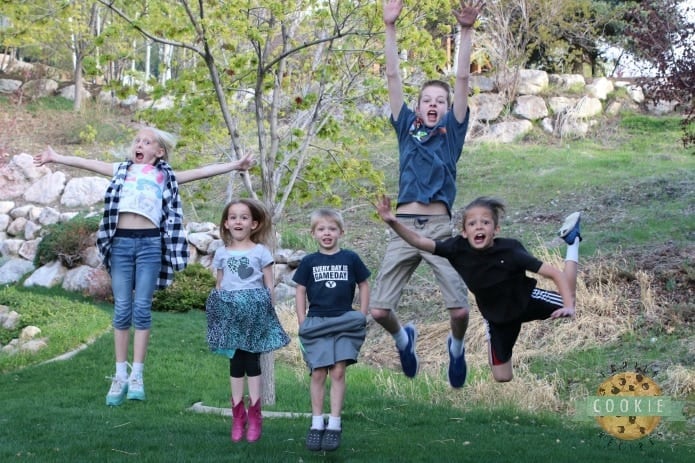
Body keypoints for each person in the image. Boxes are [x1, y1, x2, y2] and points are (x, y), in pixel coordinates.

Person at [33, 126, 254, 407]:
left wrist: (236, 164)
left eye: (146, 141)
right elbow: (89, 163)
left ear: (159, 152)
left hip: (150, 245)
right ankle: (119, 374)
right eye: (137, 140)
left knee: (141, 309)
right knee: (122, 309)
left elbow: (201, 171)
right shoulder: (122, 170)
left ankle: (137, 375)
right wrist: (57, 156)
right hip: (121, 244)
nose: (139, 144)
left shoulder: (166, 175)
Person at [370, 0, 484, 388]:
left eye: (440, 100)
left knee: (460, 311)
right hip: (403, 226)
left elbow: (463, 81)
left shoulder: (452, 133)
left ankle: (456, 348)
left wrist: (466, 32)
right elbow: (391, 75)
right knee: (380, 311)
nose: (434, 104)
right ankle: (405, 339)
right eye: (427, 101)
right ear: (417, 108)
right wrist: (389, 26)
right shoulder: (405, 127)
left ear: (447, 108)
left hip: (438, 229)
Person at [377, 195, 581, 382]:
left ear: (496, 230)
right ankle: (498, 339)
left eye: (485, 222)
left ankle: (572, 241)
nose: (479, 227)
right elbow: (419, 241)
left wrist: (569, 306)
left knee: (569, 297)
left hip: (528, 301)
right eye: (472, 223)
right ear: (464, 232)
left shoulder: (511, 250)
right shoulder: (456, 249)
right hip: (497, 319)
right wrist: (392, 220)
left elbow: (554, 274)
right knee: (502, 377)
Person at [205, 198, 290, 443]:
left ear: (254, 224)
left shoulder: (261, 252)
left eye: (244, 217)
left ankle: (255, 414)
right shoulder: (221, 253)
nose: (238, 221)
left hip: (254, 312)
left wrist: (268, 310)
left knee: (252, 360)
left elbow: (269, 284)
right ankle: (237, 415)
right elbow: (220, 284)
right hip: (230, 312)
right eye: (233, 217)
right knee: (235, 361)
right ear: (226, 223)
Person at [293, 208, 370, 452]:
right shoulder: (309, 261)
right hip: (317, 321)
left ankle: (334, 424)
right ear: (313, 233)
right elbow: (300, 290)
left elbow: (364, 284)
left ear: (341, 232)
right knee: (318, 373)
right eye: (322, 229)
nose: (327, 233)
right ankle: (317, 424)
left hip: (345, 321)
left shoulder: (350, 258)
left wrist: (362, 312)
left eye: (332, 229)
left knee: (337, 372)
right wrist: (301, 320)